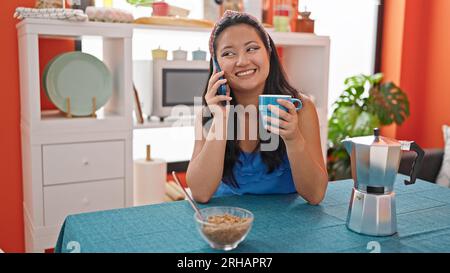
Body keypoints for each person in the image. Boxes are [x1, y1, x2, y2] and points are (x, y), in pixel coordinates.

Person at [186, 10, 328, 204]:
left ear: (268, 53)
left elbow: (315, 195)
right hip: (227, 223)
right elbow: (200, 193)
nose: (242, 61)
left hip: (286, 225)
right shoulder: (210, 112)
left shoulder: (300, 108)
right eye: (228, 53)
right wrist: (220, 119)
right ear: (217, 65)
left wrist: (293, 138)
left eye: (251, 49)